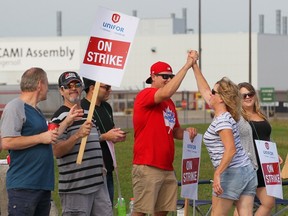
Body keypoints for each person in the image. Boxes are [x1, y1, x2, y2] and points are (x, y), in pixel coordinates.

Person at [132, 50, 198, 216]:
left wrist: (187, 133)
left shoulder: (169, 103)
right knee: (140, 211)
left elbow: (174, 131)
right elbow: (166, 91)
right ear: (153, 77)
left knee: (162, 211)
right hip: (147, 164)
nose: (168, 79)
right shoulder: (145, 94)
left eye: (170, 76)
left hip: (167, 167)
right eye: (164, 76)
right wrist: (187, 65)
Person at [191, 61, 258, 216]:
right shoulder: (227, 115)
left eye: (214, 93)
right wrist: (194, 65)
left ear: (221, 98)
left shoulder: (222, 121)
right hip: (246, 170)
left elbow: (231, 149)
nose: (209, 95)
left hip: (232, 172)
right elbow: (205, 89)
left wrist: (217, 173)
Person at [51, 71, 112, 216]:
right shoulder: (58, 117)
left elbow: (94, 142)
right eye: (68, 86)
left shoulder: (88, 113)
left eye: (76, 84)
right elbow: (56, 151)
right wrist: (77, 135)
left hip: (98, 185)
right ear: (61, 90)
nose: (73, 88)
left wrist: (102, 167)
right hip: (76, 189)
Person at [0, 67, 59, 216]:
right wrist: (41, 137)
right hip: (24, 187)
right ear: (40, 84)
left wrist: (68, 121)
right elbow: (7, 142)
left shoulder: (36, 111)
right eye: (47, 84)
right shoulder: (15, 107)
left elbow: (46, 137)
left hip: (41, 185)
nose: (48, 89)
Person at [238, 82, 283, 216]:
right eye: (243, 95)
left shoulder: (261, 115)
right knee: (245, 204)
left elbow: (266, 137)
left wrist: (275, 153)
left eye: (250, 94)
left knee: (268, 202)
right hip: (249, 165)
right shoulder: (238, 118)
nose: (247, 97)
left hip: (266, 165)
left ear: (254, 95)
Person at [82, 77, 126, 204]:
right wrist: (105, 136)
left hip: (108, 167)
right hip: (90, 170)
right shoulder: (81, 107)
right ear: (92, 88)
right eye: (106, 87)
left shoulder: (107, 107)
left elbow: (109, 130)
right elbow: (82, 138)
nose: (109, 90)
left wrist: (117, 135)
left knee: (107, 209)